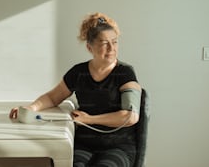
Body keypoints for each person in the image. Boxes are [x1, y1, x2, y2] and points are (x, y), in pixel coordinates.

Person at [9, 12, 142, 167]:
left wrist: (88, 119)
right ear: (89, 47)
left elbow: (130, 117)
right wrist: (31, 108)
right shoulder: (78, 72)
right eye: (104, 43)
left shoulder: (125, 72)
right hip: (84, 144)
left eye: (115, 42)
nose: (112, 48)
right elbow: (53, 98)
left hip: (118, 147)